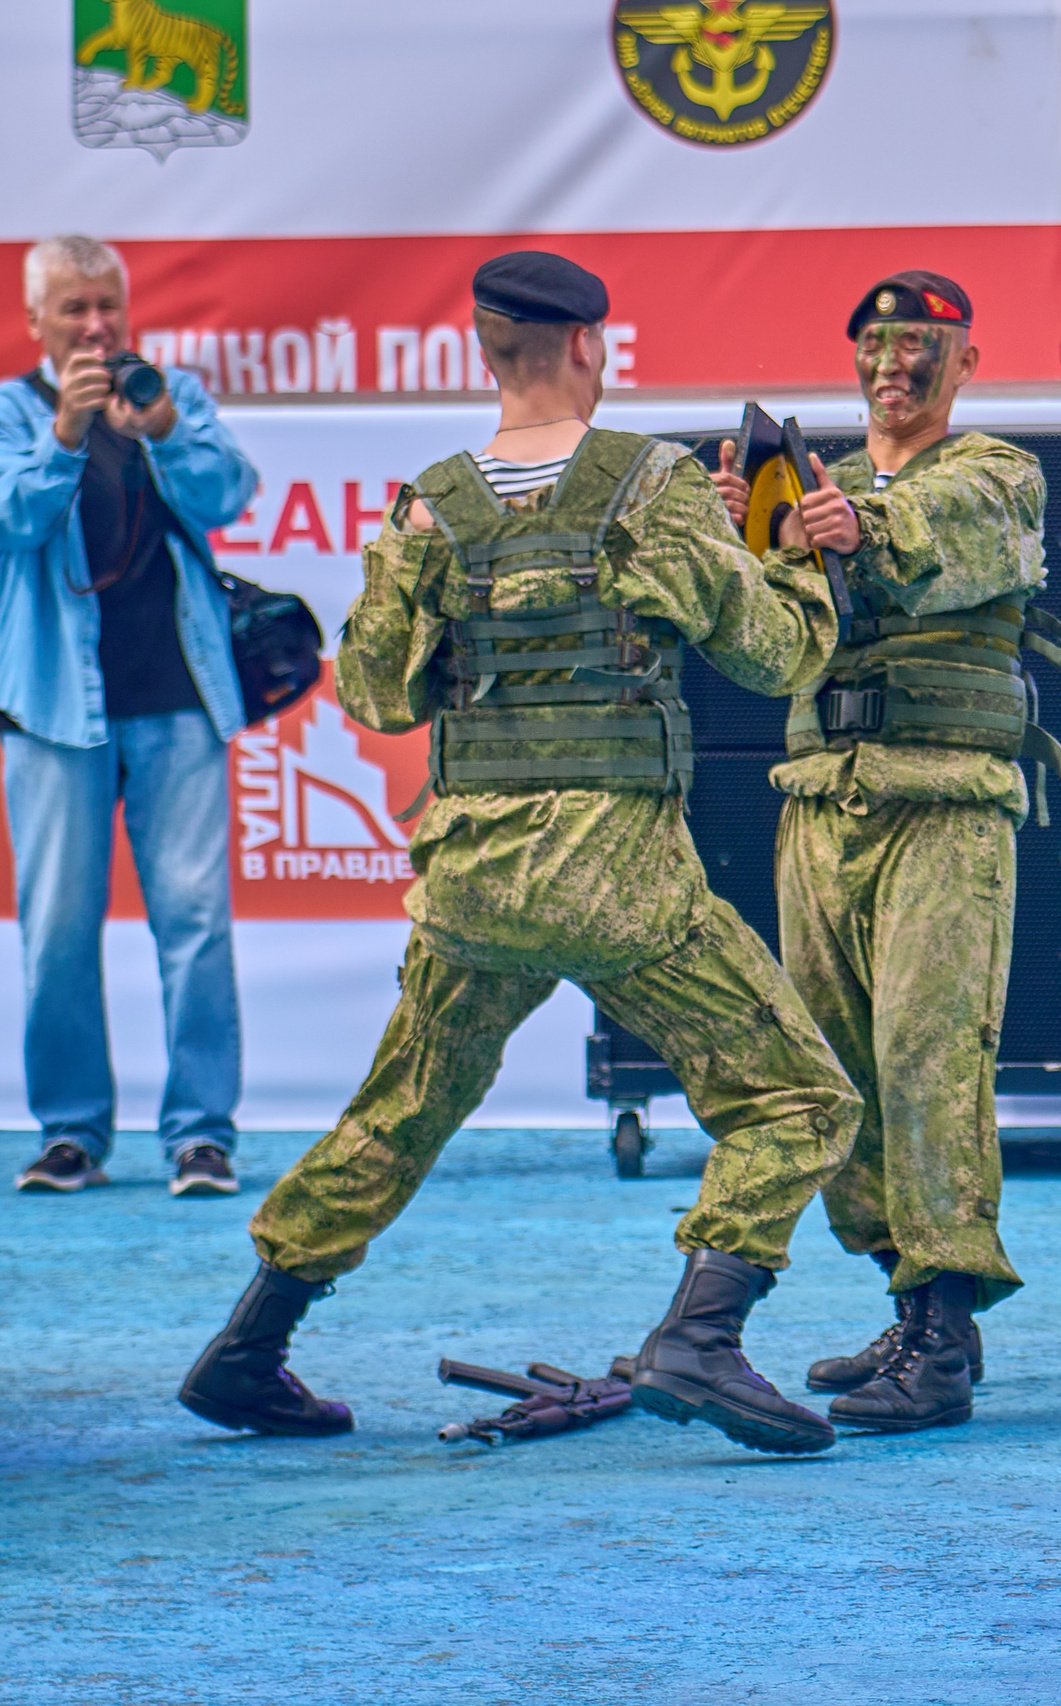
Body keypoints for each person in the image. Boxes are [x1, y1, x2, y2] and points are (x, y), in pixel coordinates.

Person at [176, 252, 865, 1457]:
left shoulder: (429, 503)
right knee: (801, 1097)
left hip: (473, 879)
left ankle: (249, 1347)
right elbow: (776, 656)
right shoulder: (651, 487)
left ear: (485, 353)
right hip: (619, 879)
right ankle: (700, 1334)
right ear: (592, 346)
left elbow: (382, 697)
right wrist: (798, 559)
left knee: (400, 1111)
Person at [710, 271, 1061, 1435]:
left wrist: (856, 524)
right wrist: (738, 543)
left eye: (921, 345)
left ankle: (946, 1331)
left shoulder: (994, 474)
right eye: (874, 342)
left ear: (964, 361)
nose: (893, 364)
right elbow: (763, 644)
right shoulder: (813, 497)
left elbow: (944, 541)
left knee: (930, 1057)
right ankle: (910, 1300)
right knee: (839, 1069)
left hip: (941, 804)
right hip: (820, 800)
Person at [2, 235, 256, 1198]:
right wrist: (64, 437)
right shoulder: (10, 412)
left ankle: (201, 1134)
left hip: (178, 698)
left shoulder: (169, 394)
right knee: (57, 928)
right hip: (54, 710)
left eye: (107, 304)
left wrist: (161, 431)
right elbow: (12, 523)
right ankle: (72, 1133)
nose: (97, 326)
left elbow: (229, 493)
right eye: (74, 309)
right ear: (36, 322)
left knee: (194, 919)